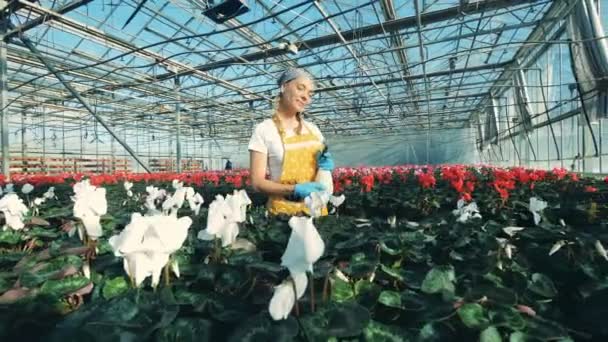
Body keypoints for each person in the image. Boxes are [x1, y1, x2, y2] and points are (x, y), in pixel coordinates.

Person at [248, 68, 334, 216]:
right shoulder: (264, 130)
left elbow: (323, 174)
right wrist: (294, 189)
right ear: (283, 87)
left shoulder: (314, 130)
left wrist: (325, 168)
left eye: (310, 94)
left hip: (316, 212)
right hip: (282, 215)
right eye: (301, 88)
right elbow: (257, 183)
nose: (306, 97)